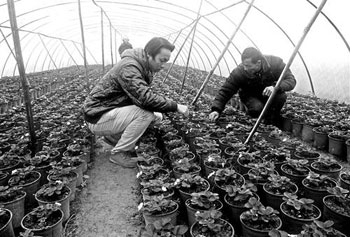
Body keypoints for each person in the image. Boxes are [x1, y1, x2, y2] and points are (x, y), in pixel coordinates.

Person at [83, 37, 189, 168]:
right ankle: (118, 153)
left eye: (166, 61)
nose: (163, 65)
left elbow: (141, 96)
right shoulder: (129, 67)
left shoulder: (141, 65)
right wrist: (175, 106)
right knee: (146, 115)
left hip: (109, 111)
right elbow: (145, 98)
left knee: (157, 117)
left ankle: (114, 138)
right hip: (97, 116)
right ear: (149, 55)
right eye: (162, 60)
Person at [209, 47, 296, 125]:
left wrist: (275, 87)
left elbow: (291, 80)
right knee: (257, 108)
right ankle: (254, 119)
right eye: (244, 65)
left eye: (248, 66)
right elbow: (226, 90)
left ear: (258, 63)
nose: (245, 68)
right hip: (249, 95)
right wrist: (216, 110)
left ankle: (271, 122)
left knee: (280, 97)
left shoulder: (275, 63)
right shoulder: (240, 72)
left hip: (268, 94)